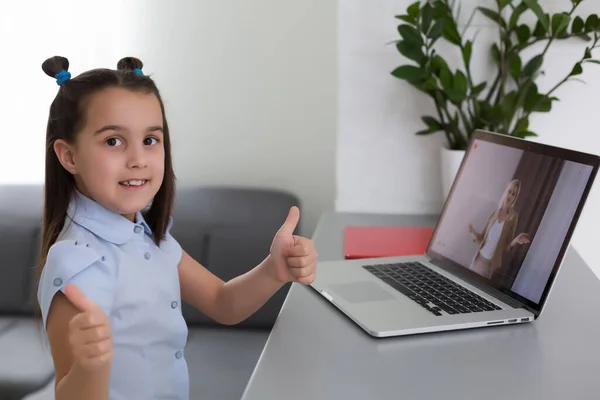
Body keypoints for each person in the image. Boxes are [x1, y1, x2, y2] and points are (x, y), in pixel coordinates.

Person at [36, 56, 318, 400]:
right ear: (69, 157)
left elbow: (222, 302)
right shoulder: (77, 262)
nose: (138, 158)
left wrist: (275, 269)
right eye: (113, 141)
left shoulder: (149, 236)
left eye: (151, 140)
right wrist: (90, 366)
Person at [467, 179, 531, 279]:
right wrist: (472, 231)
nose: (510, 195)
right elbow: (481, 238)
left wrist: (517, 239)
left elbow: (507, 246)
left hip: (489, 265)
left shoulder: (513, 217)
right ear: (506, 192)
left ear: (515, 198)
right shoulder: (494, 213)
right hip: (478, 259)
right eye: (509, 191)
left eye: (513, 194)